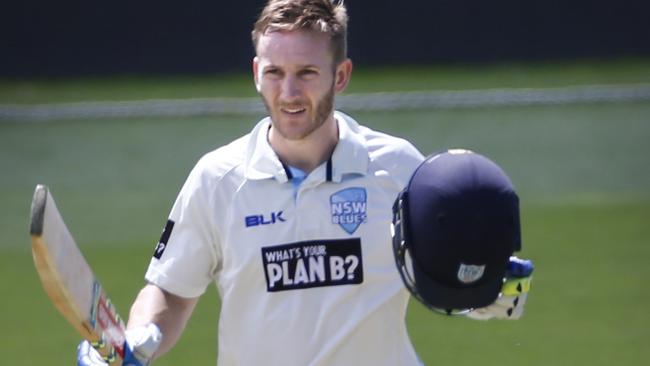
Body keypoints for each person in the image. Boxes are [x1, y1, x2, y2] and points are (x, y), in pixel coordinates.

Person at [78, 1, 531, 365]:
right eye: (275, 72)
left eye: (307, 74)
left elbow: (443, 269)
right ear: (257, 73)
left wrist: (487, 289)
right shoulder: (217, 179)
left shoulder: (398, 169)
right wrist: (138, 337)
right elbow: (171, 291)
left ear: (341, 75)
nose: (289, 93)